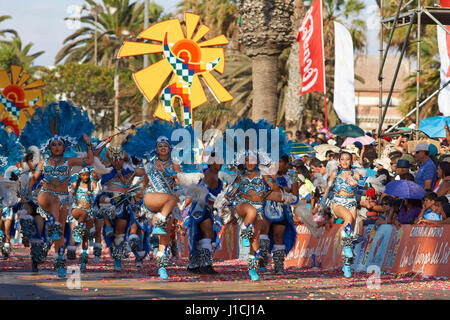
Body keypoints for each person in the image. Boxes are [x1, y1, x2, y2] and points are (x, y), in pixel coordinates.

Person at [321, 151, 361, 278]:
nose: (344, 161)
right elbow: (327, 189)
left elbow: (367, 187)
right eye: (342, 159)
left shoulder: (356, 174)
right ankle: (347, 250)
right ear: (339, 161)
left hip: (352, 203)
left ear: (351, 161)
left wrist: (358, 184)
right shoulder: (335, 174)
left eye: (347, 159)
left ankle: (347, 265)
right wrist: (321, 204)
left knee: (351, 234)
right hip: (337, 203)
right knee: (348, 218)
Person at [68, 167, 97, 270]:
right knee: (83, 213)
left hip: (89, 212)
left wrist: (92, 195)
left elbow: (96, 199)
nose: (85, 177)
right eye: (83, 175)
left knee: (85, 236)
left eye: (87, 175)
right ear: (79, 175)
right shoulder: (75, 185)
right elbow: (70, 198)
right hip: (77, 210)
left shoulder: (93, 185)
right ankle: (78, 229)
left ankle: (83, 259)